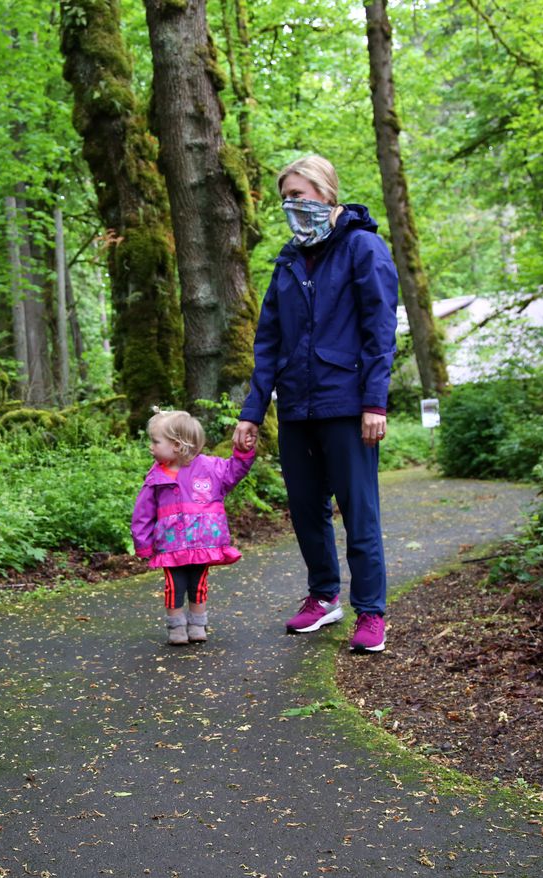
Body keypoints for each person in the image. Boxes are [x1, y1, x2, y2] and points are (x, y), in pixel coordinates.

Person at [232, 154, 398, 654]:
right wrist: (252, 411)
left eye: (298, 195)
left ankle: (371, 612)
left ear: (326, 193)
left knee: (358, 510)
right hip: (298, 407)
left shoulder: (362, 248)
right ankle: (324, 598)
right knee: (306, 510)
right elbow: (268, 343)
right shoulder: (287, 260)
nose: (291, 205)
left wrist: (375, 402)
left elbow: (379, 332)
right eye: (285, 197)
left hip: (347, 405)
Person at [132, 410, 256, 645]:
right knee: (174, 585)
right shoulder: (156, 476)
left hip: (202, 543)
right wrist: (143, 544)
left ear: (177, 445)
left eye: (156, 441)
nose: (151, 446)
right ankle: (176, 626)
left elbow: (235, 471)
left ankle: (198, 623)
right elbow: (143, 512)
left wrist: (243, 452)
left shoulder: (210, 468)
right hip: (171, 545)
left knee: (198, 583)